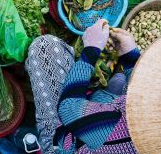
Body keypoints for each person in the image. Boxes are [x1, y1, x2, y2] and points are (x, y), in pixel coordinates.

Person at [26, 19, 140, 154]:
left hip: (68, 138)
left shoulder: (124, 131)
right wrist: (131, 59)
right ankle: (92, 95)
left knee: (44, 47)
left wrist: (91, 52)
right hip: (106, 118)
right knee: (119, 80)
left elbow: (68, 109)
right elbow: (139, 93)